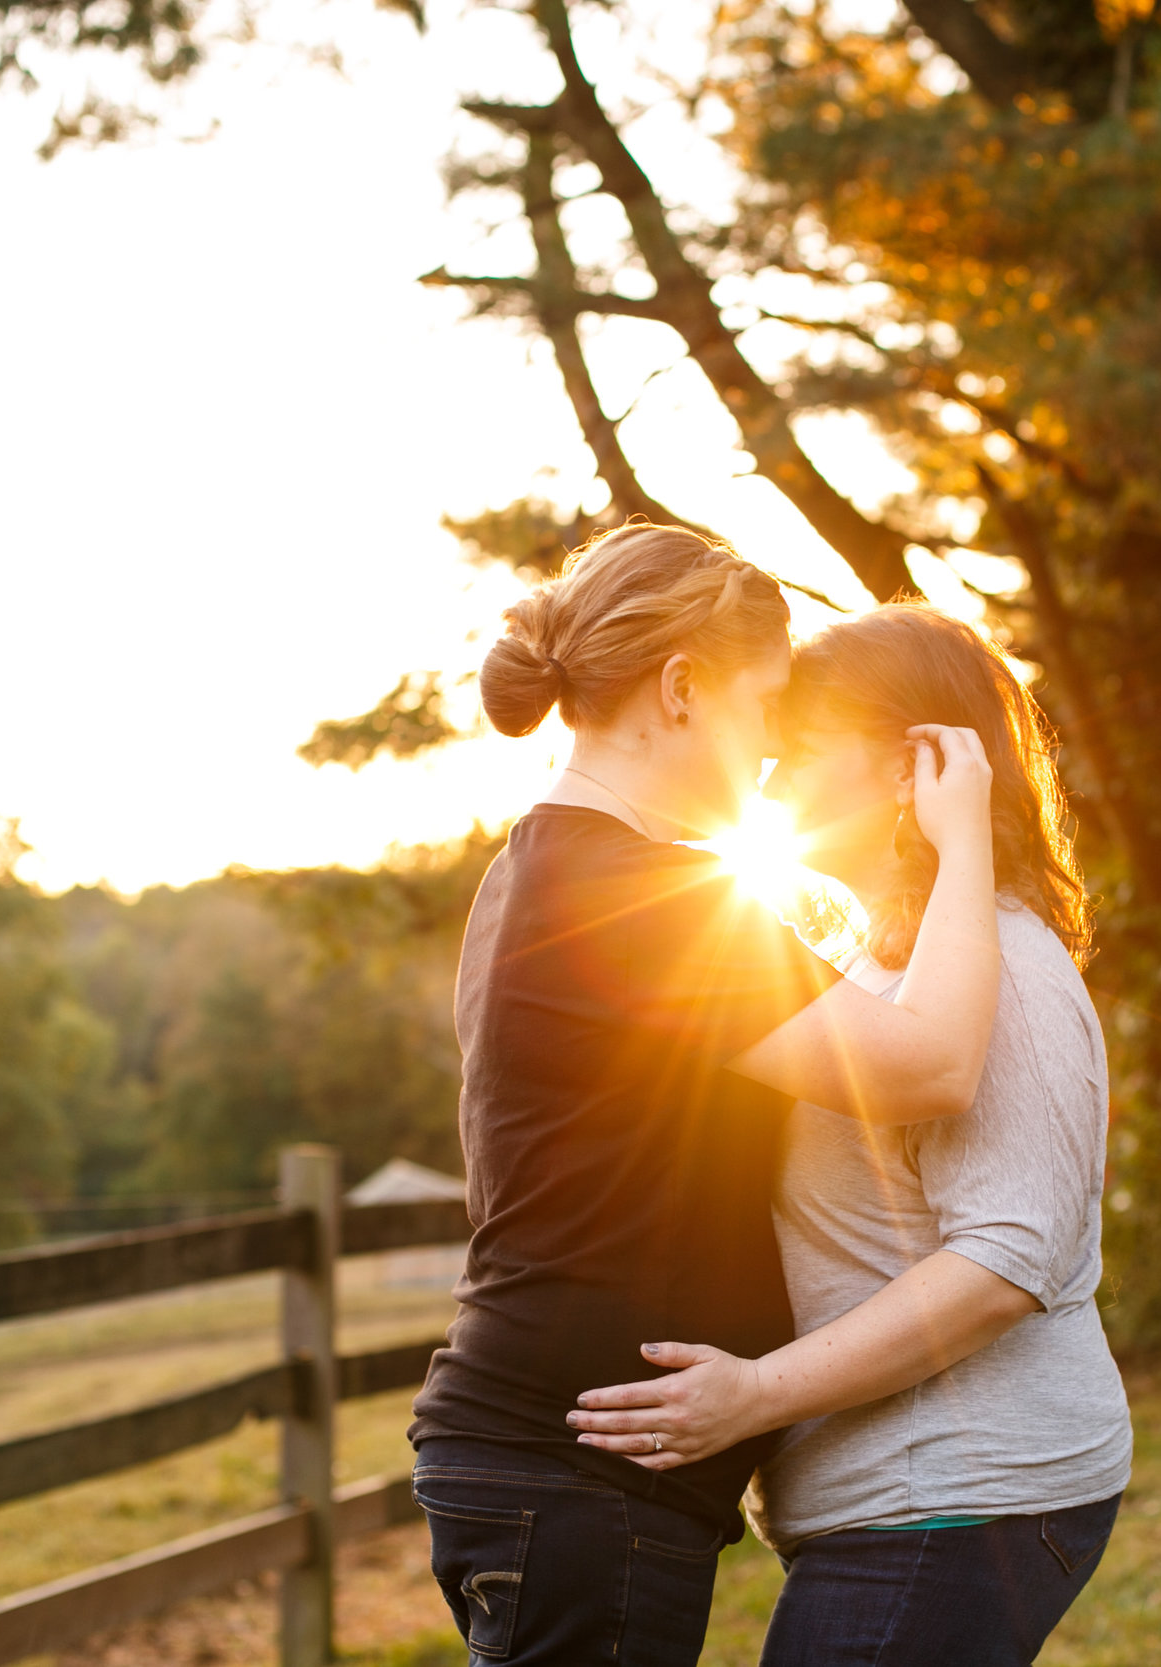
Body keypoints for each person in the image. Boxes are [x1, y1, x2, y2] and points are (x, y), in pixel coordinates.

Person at [408, 527, 1004, 1667]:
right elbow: (932, 1064)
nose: (772, 752)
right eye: (762, 704)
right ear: (683, 688)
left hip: (543, 1453)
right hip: (575, 1468)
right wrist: (963, 832)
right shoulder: (645, 895)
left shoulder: (540, 865)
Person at [567, 603, 1131, 1667]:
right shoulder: (890, 972)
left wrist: (753, 1393)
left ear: (910, 765)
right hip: (902, 1500)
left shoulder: (1004, 967)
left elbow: (1006, 1263)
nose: (768, 785)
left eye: (797, 752)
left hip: (964, 1499)